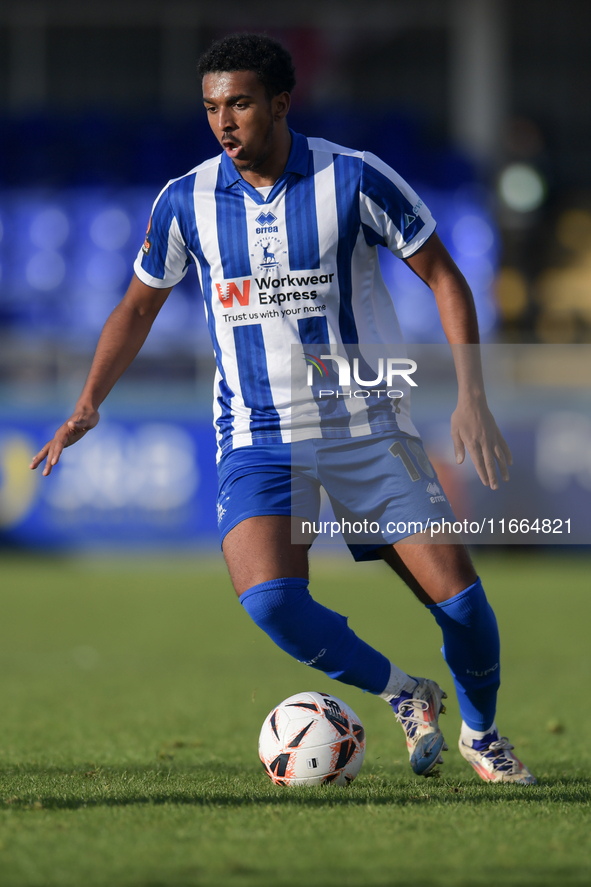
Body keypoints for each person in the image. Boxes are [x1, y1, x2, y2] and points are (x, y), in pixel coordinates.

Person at [30, 33, 534, 784]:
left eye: (237, 103)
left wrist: (471, 395)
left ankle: (481, 734)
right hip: (257, 432)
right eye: (210, 107)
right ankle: (405, 693)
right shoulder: (186, 199)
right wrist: (88, 402)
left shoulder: (354, 178)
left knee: (459, 601)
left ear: (279, 102)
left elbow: (445, 277)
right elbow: (137, 308)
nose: (223, 122)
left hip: (367, 425)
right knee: (269, 599)